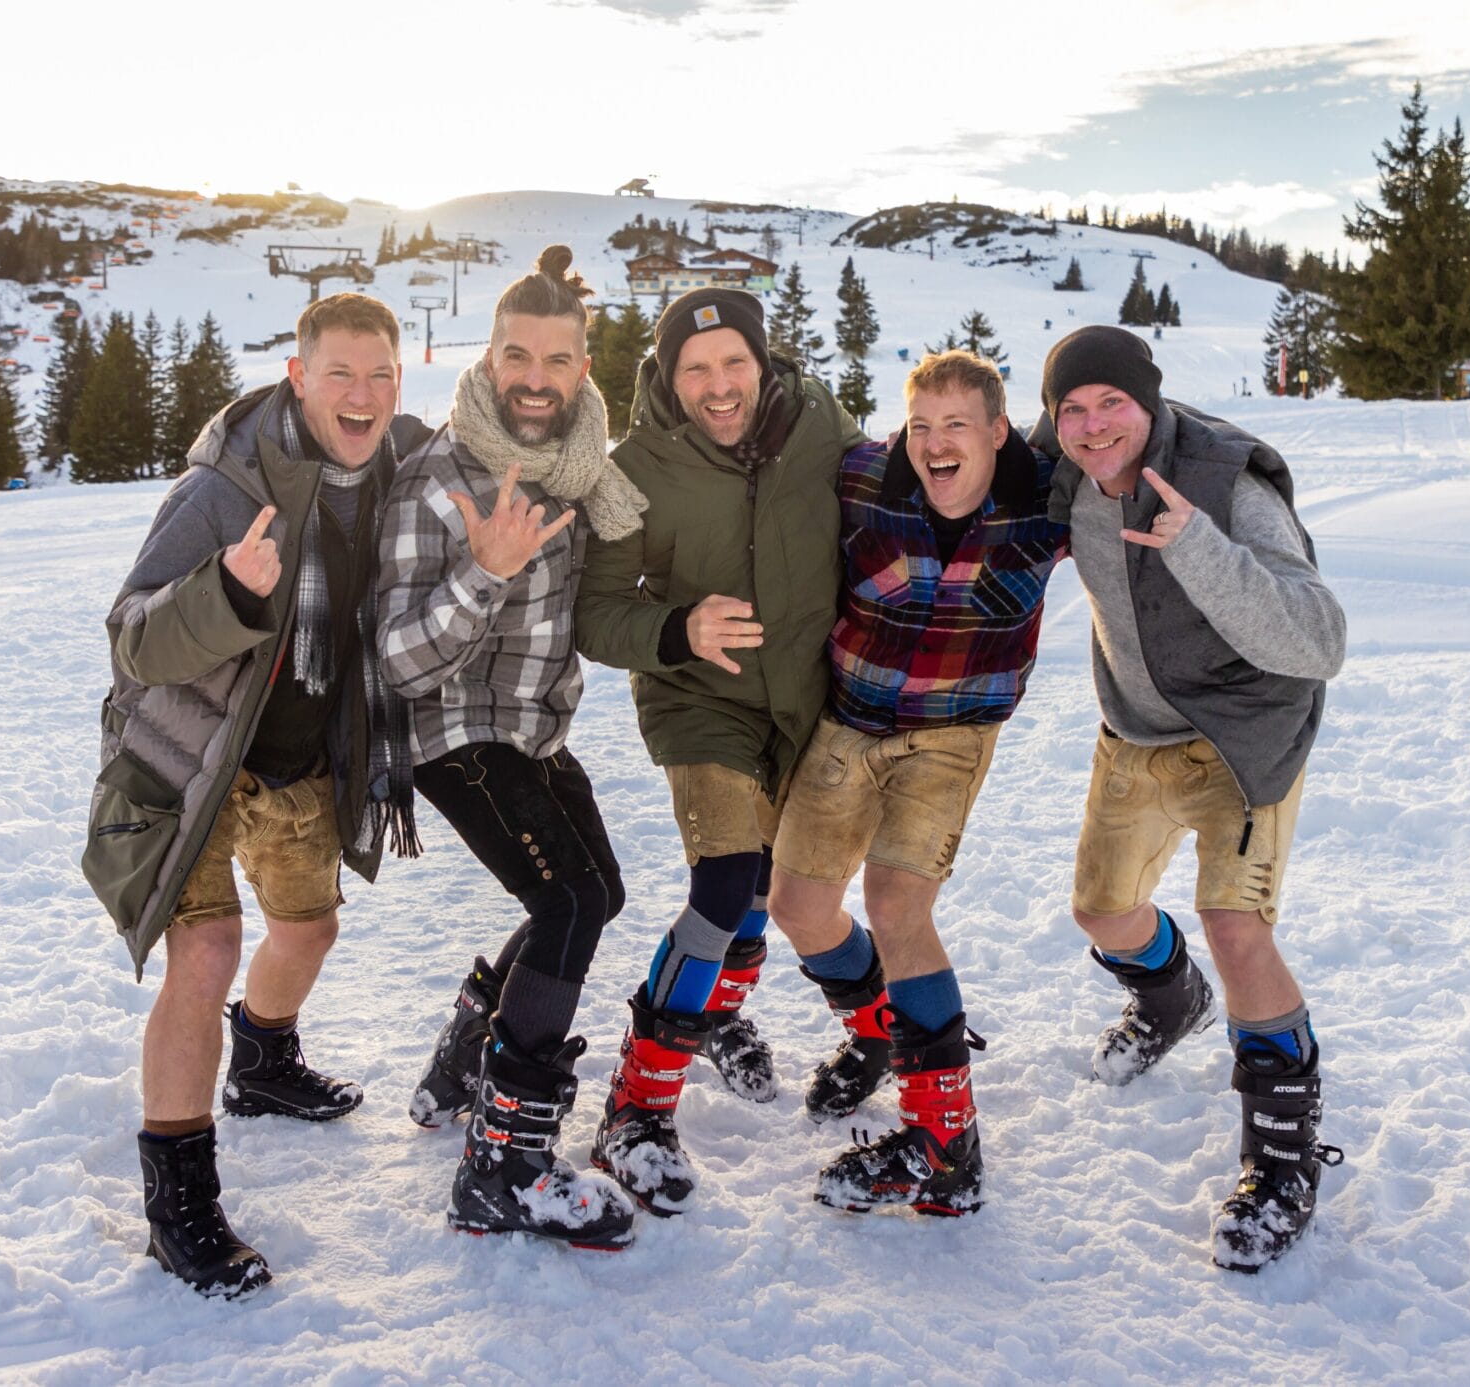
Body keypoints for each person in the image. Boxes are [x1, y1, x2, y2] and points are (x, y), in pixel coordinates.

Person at [84, 293, 426, 1298]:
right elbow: (134, 635)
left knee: (309, 930)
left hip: (298, 758)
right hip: (192, 756)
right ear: (297, 376)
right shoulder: (226, 485)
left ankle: (264, 1061)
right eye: (339, 375)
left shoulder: (399, 471)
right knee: (205, 950)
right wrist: (227, 594)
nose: (360, 396)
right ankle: (178, 1201)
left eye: (380, 375)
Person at [1028, 325, 1347, 1271]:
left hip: (1246, 731)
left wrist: (1198, 548)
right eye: (1072, 410)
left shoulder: (1225, 483)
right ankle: (1173, 1000)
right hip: (1136, 727)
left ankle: (1281, 1160)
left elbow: (1320, 639)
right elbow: (956, 450)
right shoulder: (1064, 457)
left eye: (1111, 405)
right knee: (1102, 909)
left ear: (1151, 401)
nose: (1092, 428)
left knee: (1234, 923)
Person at [574, 286, 867, 1214]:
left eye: (733, 362)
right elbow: (596, 610)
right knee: (725, 874)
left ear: (763, 360)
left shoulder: (820, 422)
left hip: (808, 698)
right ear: (666, 375)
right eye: (694, 368)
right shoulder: (632, 467)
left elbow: (889, 504)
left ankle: (865, 1029)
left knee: (775, 886)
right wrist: (677, 628)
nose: (718, 384)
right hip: (700, 698)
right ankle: (636, 1108)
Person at [377, 246, 640, 1249]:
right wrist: (482, 572)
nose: (535, 378)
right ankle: (506, 1161)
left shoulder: (583, 469)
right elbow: (398, 662)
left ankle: (469, 1056)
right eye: (516, 356)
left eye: (557, 359)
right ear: (487, 360)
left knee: (596, 893)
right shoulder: (439, 480)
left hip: (532, 727)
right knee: (567, 898)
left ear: (582, 369)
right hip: (451, 728)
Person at [766, 350, 1065, 1217]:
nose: (935, 445)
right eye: (920, 426)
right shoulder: (864, 477)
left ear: (998, 431)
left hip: (952, 735)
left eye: (956, 426)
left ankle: (944, 1140)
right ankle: (879, 1033)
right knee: (798, 905)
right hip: (848, 721)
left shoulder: (1046, 496)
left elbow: (1131, 453)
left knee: (898, 906)